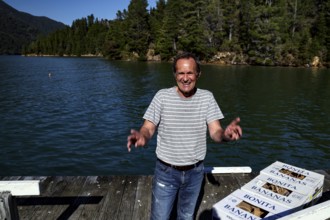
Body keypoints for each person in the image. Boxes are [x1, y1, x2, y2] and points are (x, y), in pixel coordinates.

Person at [127, 52, 242, 220]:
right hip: (166, 171)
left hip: (195, 173)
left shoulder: (207, 98)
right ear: (175, 75)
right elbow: (148, 128)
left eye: (190, 73)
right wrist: (143, 137)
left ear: (198, 74)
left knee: (186, 217)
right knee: (160, 217)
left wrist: (225, 135)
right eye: (181, 73)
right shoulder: (162, 96)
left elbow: (215, 132)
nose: (185, 78)